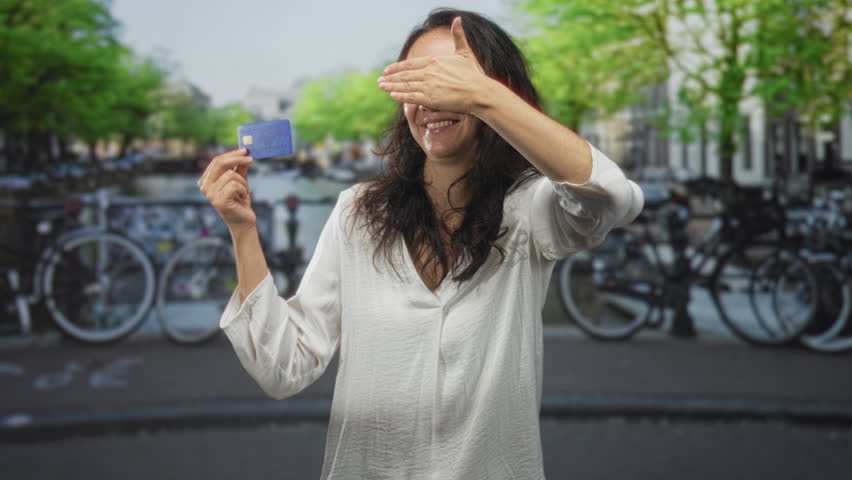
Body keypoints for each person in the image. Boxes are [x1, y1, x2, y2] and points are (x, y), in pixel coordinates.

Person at [197, 8, 643, 479]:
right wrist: (242, 231)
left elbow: (610, 196)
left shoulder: (531, 208)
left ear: (496, 90)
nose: (430, 98)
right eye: (416, 83)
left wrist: (486, 98)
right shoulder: (357, 212)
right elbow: (283, 368)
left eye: (449, 79)